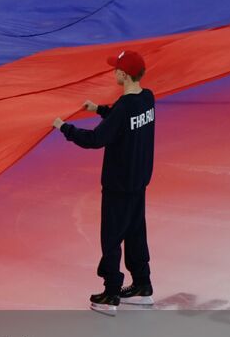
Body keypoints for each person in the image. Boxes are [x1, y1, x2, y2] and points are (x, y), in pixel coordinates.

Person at [52, 50, 156, 316]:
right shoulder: (147, 99)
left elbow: (97, 139)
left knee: (111, 238)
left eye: (116, 68)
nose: (114, 72)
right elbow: (125, 124)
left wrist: (65, 128)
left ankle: (111, 294)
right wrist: (99, 109)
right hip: (139, 182)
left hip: (118, 185)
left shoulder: (123, 107)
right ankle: (143, 285)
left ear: (123, 74)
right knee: (135, 234)